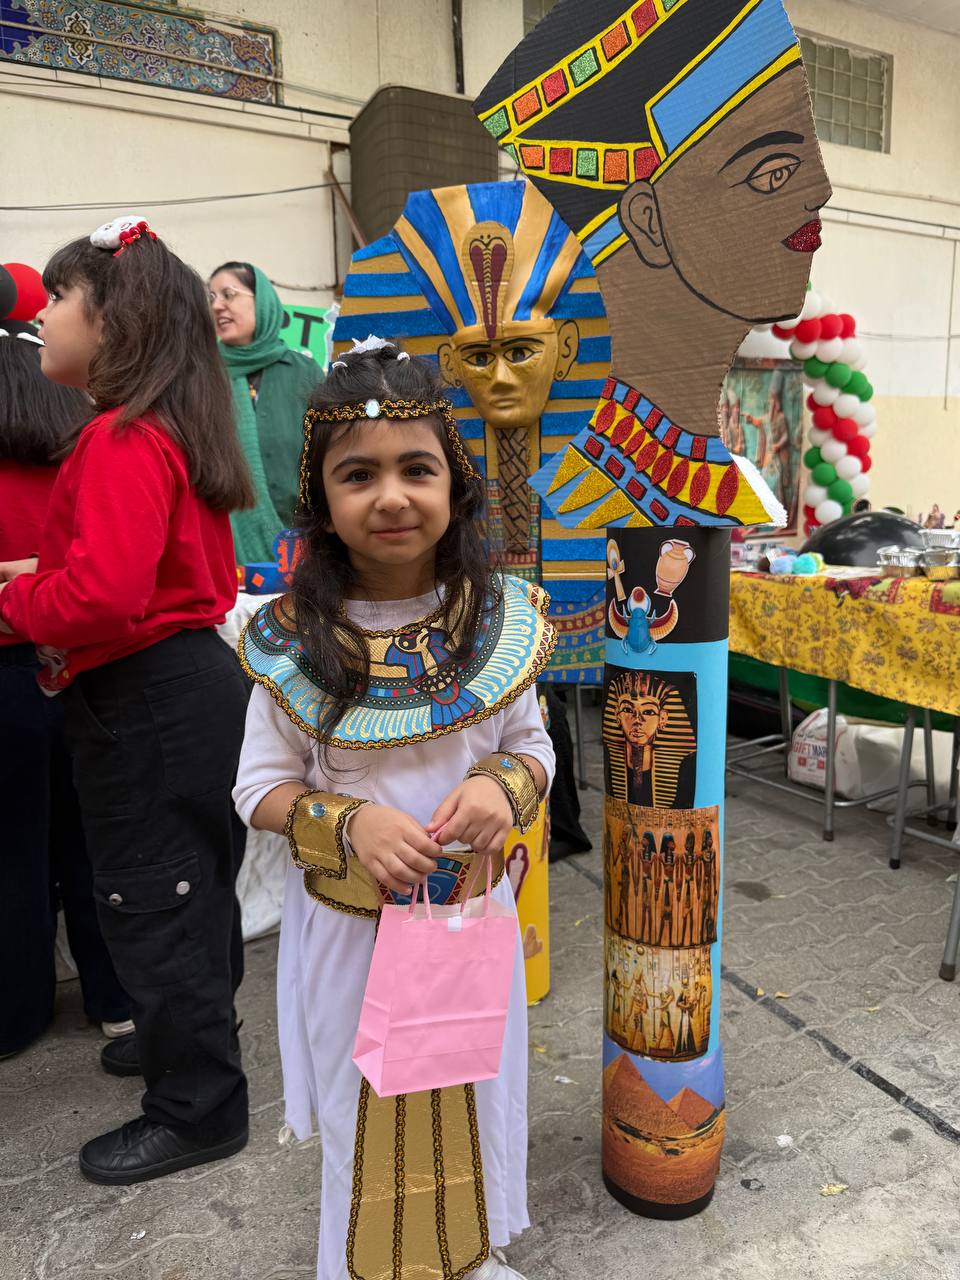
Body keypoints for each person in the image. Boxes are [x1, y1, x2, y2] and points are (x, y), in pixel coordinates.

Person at [233, 341, 556, 1280]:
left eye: (417, 469)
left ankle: (469, 1259)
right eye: (358, 475)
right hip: (351, 937)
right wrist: (346, 823)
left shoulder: (498, 621)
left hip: (467, 924)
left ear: (455, 484)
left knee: (473, 1094)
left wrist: (501, 788)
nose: (391, 497)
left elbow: (534, 748)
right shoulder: (293, 641)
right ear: (320, 498)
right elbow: (256, 789)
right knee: (362, 1110)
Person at [0, 216, 255, 1184]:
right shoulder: (167, 428)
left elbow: (102, 597)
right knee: (193, 887)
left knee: (153, 897)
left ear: (112, 319)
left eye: (60, 297)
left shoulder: (116, 436)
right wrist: (44, 572)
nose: (43, 316)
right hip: (189, 683)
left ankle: (197, 1107)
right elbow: (151, 571)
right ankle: (186, 1036)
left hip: (142, 695)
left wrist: (15, 600)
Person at [0, 316, 130, 1056]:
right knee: (93, 839)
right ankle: (115, 998)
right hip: (82, 664)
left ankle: (15, 1013)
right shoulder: (84, 451)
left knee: (11, 851)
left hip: (7, 672)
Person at [209, 260, 318, 564]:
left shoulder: (303, 372)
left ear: (263, 301)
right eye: (212, 297)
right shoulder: (202, 376)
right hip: (224, 554)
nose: (217, 306)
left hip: (306, 548)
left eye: (228, 294)